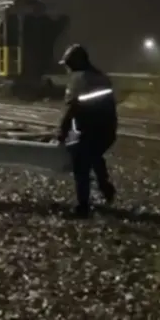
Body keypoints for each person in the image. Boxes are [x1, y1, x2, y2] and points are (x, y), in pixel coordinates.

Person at [56, 43, 118, 219]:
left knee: (80, 164)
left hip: (89, 130)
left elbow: (70, 110)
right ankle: (104, 185)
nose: (67, 68)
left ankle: (82, 207)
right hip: (108, 130)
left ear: (74, 63)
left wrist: (61, 133)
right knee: (94, 154)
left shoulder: (77, 81)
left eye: (68, 64)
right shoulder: (102, 78)